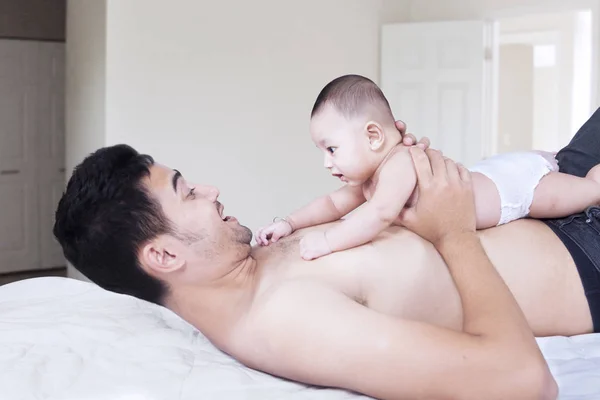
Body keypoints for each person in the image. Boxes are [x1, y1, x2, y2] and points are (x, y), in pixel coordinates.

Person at [53, 107, 600, 399]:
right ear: (164, 257)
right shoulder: (285, 322)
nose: (211, 190)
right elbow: (522, 382)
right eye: (187, 192)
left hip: (553, 190)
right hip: (584, 251)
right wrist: (453, 230)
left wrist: (389, 159)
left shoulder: (258, 265)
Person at [255, 74, 600, 260]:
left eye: (332, 149)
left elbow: (377, 216)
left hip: (512, 190)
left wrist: (328, 242)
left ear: (373, 135)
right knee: (562, 166)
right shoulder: (371, 180)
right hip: (489, 172)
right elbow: (331, 205)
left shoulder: (400, 164)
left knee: (579, 192)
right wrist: (289, 223)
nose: (327, 163)